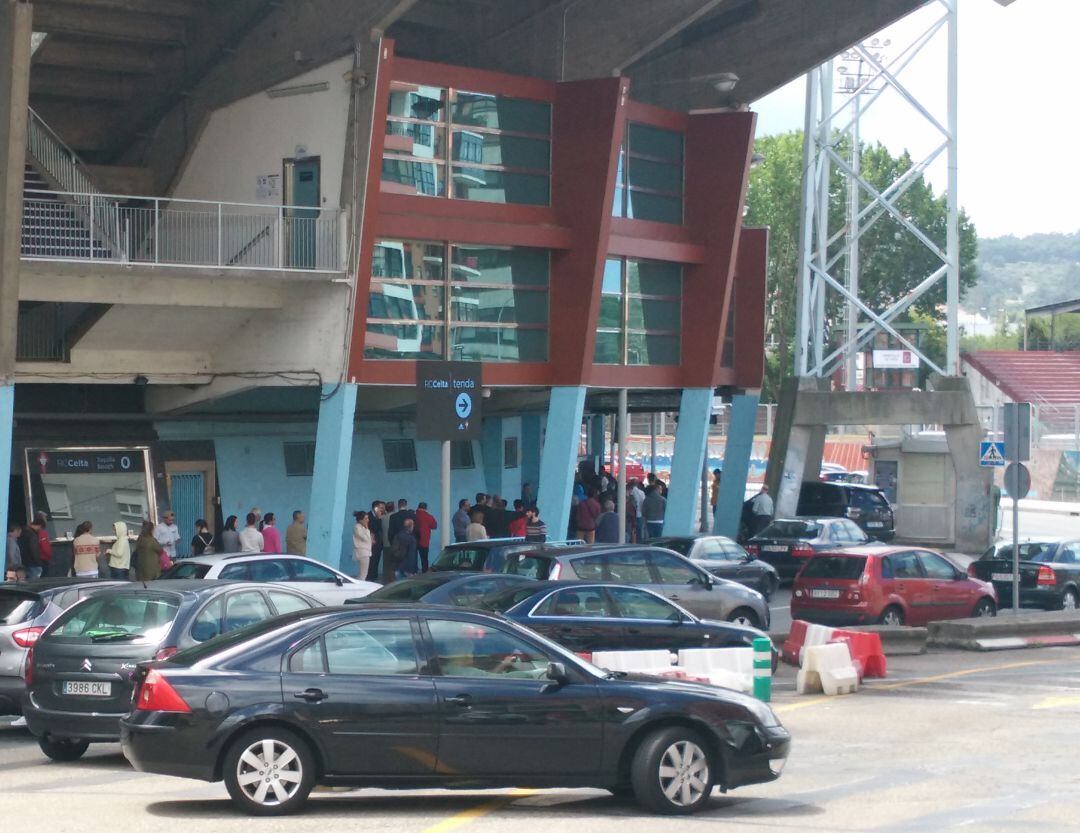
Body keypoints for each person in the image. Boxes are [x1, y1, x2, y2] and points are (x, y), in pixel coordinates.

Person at [414, 502, 438, 572]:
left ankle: (413, 572)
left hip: (413, 540)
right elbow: (434, 526)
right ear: (426, 508)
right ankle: (425, 573)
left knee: (412, 558)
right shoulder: (428, 517)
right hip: (424, 541)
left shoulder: (413, 515)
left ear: (418, 507)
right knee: (424, 559)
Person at [352, 511, 373, 581]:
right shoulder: (357, 527)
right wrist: (367, 529)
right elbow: (365, 538)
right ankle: (359, 586)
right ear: (361, 520)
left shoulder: (362, 527)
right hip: (362, 552)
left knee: (363, 573)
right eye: (366, 518)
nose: (368, 520)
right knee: (363, 574)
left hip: (365, 552)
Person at [367, 501, 385, 582]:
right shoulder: (368, 516)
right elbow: (374, 528)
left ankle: (374, 577)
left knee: (376, 561)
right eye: (381, 508)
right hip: (371, 543)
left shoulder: (378, 517)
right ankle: (370, 578)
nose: (382, 510)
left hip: (378, 544)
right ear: (376, 508)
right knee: (371, 562)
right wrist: (379, 519)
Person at [33, 513, 53, 577]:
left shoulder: (34, 532)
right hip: (43, 559)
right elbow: (45, 547)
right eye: (45, 518)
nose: (46, 520)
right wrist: (50, 556)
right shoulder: (42, 532)